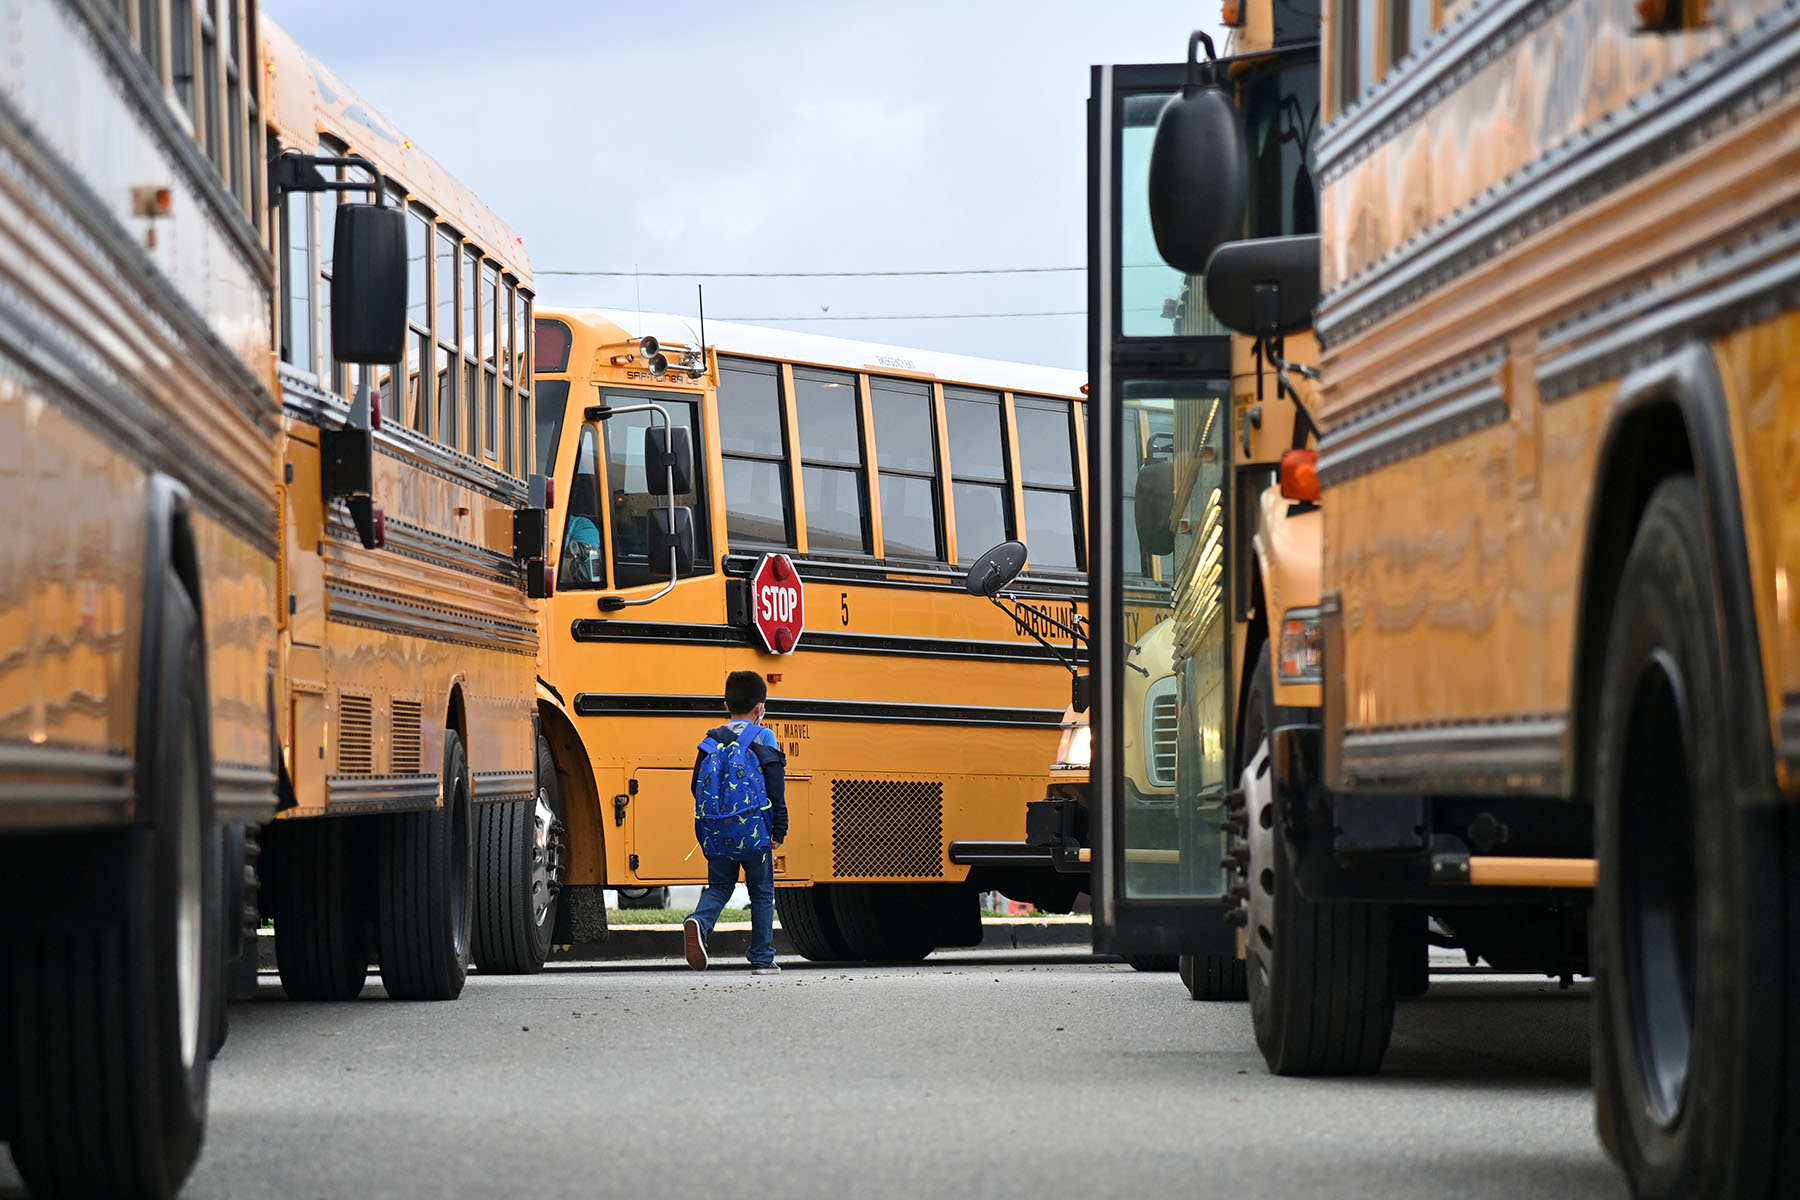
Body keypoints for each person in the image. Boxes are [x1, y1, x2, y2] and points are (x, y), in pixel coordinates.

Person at [683, 670, 787, 974]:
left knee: (719, 886)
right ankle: (761, 956)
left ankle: (699, 922)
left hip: (717, 831)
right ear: (760, 709)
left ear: (726, 704)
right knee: (762, 892)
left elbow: (696, 787)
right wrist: (779, 826)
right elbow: (775, 785)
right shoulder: (763, 736)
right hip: (756, 832)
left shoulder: (711, 740)